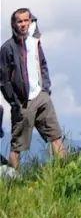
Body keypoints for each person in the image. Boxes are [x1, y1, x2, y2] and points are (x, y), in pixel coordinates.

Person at [0, 9, 66, 169]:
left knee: (56, 136)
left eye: (26, 21)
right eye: (19, 21)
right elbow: (3, 80)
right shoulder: (7, 48)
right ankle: (12, 180)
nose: (23, 24)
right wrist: (15, 101)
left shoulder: (34, 42)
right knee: (18, 147)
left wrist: (46, 89)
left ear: (30, 22)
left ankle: (66, 172)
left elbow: (42, 64)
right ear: (14, 24)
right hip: (23, 103)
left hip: (41, 96)